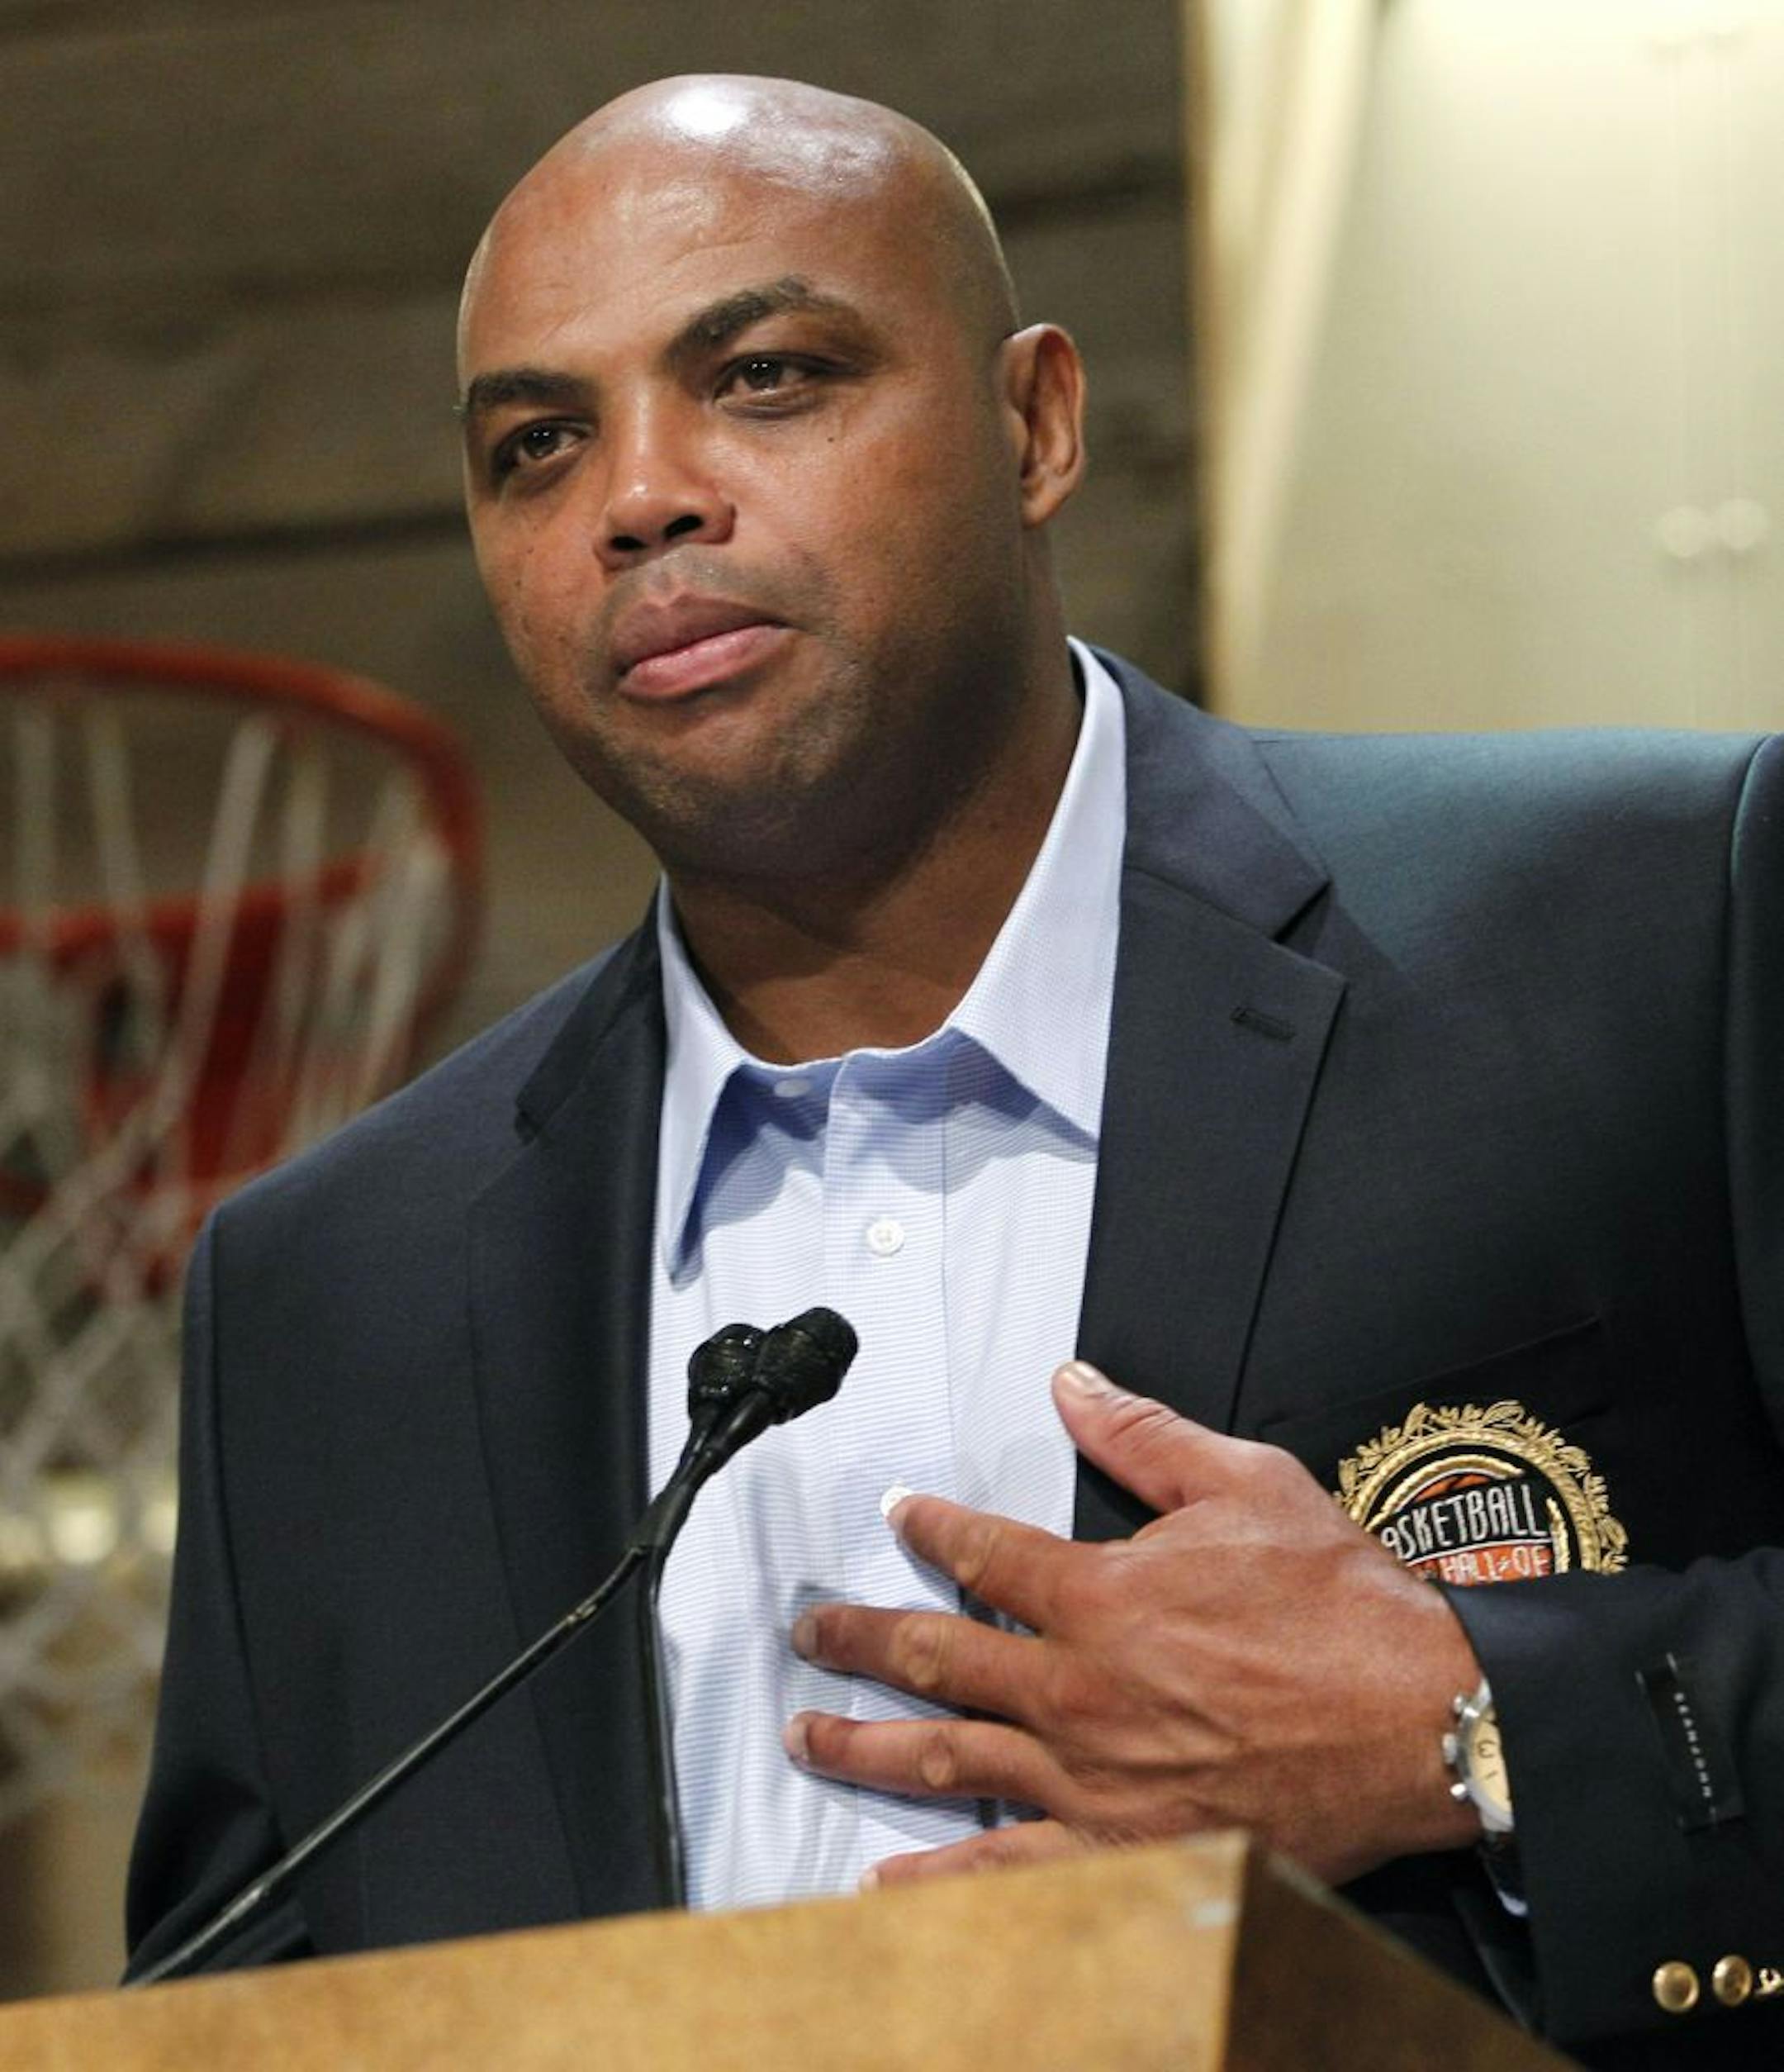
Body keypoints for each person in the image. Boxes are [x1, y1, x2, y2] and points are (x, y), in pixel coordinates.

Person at [126, 74, 1784, 2069]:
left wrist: (1482, 1724)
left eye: (764, 375)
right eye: (537, 445)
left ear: (1036, 424)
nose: (639, 495)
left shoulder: (1646, 925)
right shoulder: (335, 1290)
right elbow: (233, 2001)